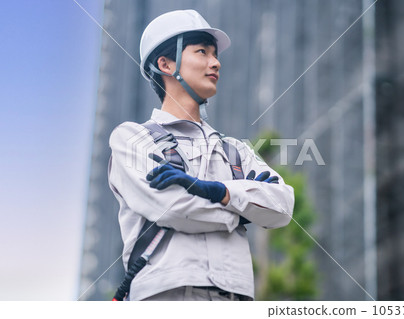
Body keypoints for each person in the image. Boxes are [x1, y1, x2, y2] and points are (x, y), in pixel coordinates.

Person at [108, 9, 294, 301]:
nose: (216, 63)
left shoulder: (235, 150)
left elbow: (283, 207)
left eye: (215, 55)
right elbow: (173, 210)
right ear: (166, 64)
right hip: (165, 294)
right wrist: (243, 208)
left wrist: (218, 190)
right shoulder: (133, 139)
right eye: (202, 52)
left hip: (237, 297)